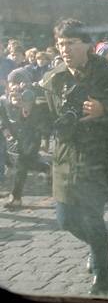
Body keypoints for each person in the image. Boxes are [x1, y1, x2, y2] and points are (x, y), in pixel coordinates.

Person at [39, 18, 108, 294]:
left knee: (92, 216)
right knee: (66, 219)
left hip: (97, 153)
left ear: (87, 44)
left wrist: (104, 109)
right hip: (63, 156)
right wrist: (25, 108)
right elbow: (44, 117)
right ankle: (101, 243)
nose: (65, 49)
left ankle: (102, 271)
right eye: (61, 44)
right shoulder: (54, 77)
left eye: (71, 43)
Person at [1, 68, 50, 209]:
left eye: (19, 82)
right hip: (14, 136)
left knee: (21, 164)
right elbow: (3, 119)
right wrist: (6, 133)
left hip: (30, 136)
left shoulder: (33, 98)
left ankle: (16, 197)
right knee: (25, 162)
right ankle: (46, 168)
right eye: (12, 82)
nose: (15, 85)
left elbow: (36, 121)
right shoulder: (3, 100)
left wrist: (25, 105)